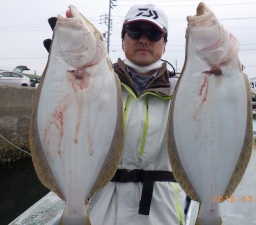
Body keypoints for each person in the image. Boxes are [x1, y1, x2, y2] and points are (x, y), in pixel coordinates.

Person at [44, 4, 186, 225]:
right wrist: (61, 75)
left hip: (160, 213)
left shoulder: (184, 92)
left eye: (154, 34)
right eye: (135, 31)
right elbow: (58, 125)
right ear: (123, 40)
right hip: (100, 211)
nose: (144, 39)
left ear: (164, 44)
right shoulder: (96, 83)